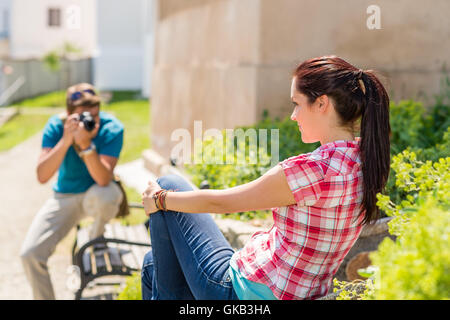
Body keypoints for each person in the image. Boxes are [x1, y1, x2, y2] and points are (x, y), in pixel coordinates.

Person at [141, 56, 391, 300]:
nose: (293, 115)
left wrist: (160, 200)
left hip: (239, 291)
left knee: (169, 184)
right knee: (152, 265)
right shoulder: (366, 160)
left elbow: (223, 203)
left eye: (297, 103)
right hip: (296, 289)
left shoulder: (313, 170)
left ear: (322, 104)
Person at [20, 83, 124, 300]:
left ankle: (95, 238)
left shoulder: (111, 128)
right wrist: (67, 140)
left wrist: (86, 145)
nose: (90, 121)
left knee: (109, 194)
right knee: (30, 255)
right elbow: (42, 175)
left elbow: (104, 179)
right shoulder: (57, 126)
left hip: (96, 195)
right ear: (68, 115)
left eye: (95, 115)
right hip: (64, 197)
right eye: (83, 116)